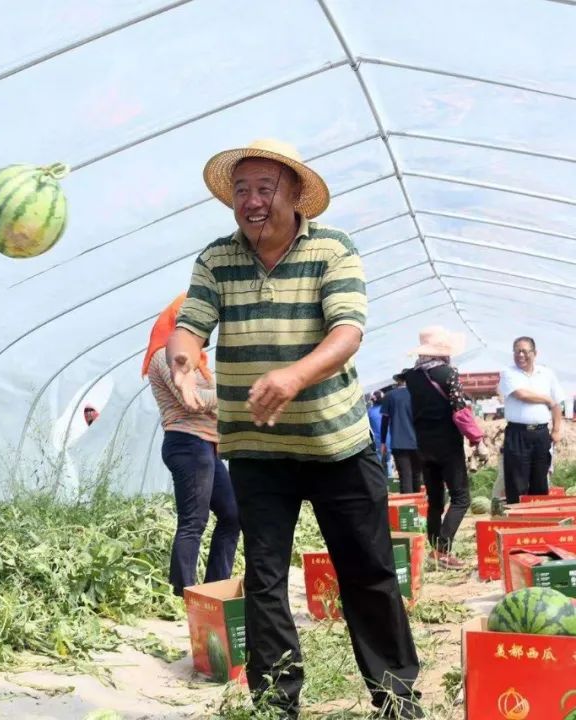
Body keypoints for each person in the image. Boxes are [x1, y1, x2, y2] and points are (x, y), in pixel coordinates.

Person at [165, 138, 421, 719]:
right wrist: (182, 358)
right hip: (258, 449)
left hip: (337, 445)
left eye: (264, 188)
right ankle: (276, 705)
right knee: (264, 579)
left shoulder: (333, 249)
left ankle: (398, 700)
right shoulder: (217, 259)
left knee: (369, 574)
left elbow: (347, 332)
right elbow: (190, 325)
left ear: (294, 193)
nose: (251, 201)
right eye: (241, 190)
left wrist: (293, 376)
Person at [143, 293, 239, 594]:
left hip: (205, 446)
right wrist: (232, 394)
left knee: (233, 514)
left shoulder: (198, 362)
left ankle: (215, 586)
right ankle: (183, 591)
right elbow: (193, 402)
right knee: (193, 521)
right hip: (187, 444)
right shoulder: (164, 356)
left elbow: (213, 399)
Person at [402, 327, 472, 569]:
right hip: (448, 445)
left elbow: (399, 378)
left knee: (434, 501)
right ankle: (443, 549)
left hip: (423, 445)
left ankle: (434, 551)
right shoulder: (448, 373)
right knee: (462, 498)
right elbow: (460, 410)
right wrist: (477, 439)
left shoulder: (411, 377)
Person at [499, 336, 566, 502]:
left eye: (524, 351)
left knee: (540, 481)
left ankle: (538, 521)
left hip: (541, 434)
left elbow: (557, 402)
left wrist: (556, 429)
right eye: (517, 351)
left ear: (535, 353)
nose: (520, 355)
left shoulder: (547, 374)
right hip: (518, 434)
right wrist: (546, 399)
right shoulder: (508, 372)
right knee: (517, 482)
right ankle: (516, 521)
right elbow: (521, 394)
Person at [381, 372, 423, 493]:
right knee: (416, 474)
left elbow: (384, 421)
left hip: (398, 442)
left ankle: (407, 508)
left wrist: (383, 442)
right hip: (417, 442)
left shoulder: (389, 396)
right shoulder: (418, 394)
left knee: (405, 475)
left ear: (397, 381)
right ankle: (417, 505)